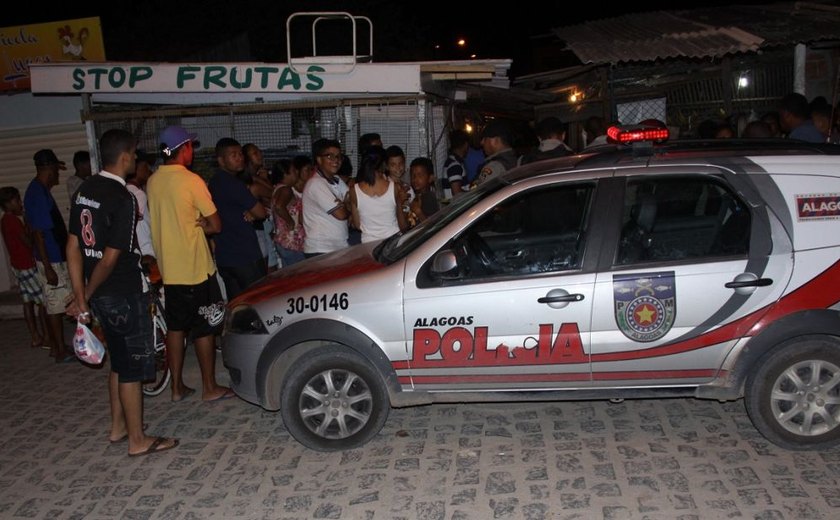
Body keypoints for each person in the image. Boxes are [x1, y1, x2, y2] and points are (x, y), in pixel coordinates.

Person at [66, 128, 179, 457]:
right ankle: (137, 440)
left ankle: (117, 428)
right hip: (122, 291)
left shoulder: (86, 189)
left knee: (118, 361)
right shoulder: (123, 196)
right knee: (132, 368)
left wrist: (82, 293)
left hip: (101, 293)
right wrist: (83, 296)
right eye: (135, 154)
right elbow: (110, 257)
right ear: (126, 157)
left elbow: (73, 245)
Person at [146, 125, 233, 403]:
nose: (192, 151)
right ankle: (210, 387)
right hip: (195, 268)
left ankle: (176, 388)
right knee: (205, 327)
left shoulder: (153, 180)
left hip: (170, 270)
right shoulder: (191, 181)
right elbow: (216, 225)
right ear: (183, 148)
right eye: (190, 146)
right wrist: (204, 225)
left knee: (176, 327)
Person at [24, 149, 73, 362]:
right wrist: (49, 266)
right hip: (50, 258)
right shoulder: (37, 193)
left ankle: (57, 346)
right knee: (55, 305)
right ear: (49, 168)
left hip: (53, 255)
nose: (57, 174)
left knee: (55, 303)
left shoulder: (40, 190)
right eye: (56, 169)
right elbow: (38, 233)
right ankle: (60, 350)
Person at [208, 138, 267, 299]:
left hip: (225, 256)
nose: (239, 158)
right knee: (257, 301)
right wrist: (252, 211)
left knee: (236, 304)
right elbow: (261, 212)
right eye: (233, 155)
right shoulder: (234, 184)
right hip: (244, 255)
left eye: (240, 154)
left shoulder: (214, 182)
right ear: (221, 160)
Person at [0, 186, 47, 350]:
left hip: (18, 265)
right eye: (17, 200)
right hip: (26, 265)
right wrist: (28, 223)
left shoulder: (5, 220)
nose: (20, 203)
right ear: (8, 203)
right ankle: (47, 335)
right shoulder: (12, 221)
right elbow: (28, 242)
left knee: (28, 301)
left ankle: (35, 336)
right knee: (43, 301)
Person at [349, 146, 409, 243]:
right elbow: (401, 221)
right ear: (384, 165)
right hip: (392, 243)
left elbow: (357, 224)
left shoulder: (354, 191)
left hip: (368, 244)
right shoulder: (394, 187)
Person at [302, 139, 350, 257]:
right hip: (321, 249)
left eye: (338, 156)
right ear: (319, 159)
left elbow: (356, 201)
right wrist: (347, 204)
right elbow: (341, 214)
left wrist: (346, 204)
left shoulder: (336, 180)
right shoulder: (316, 184)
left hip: (337, 247)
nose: (336, 160)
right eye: (330, 156)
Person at [270, 160, 305, 267]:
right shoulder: (286, 190)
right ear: (285, 174)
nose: (297, 173)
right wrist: (290, 222)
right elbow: (279, 206)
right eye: (293, 171)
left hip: (284, 241)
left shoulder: (278, 188)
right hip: (291, 241)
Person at [476, 120, 517, 185]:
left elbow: (484, 194)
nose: (482, 142)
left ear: (495, 140)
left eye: (485, 139)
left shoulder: (494, 167)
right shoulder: (516, 159)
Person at [408, 157, 439, 225]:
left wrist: (418, 212)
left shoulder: (429, 198)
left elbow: (432, 226)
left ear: (430, 178)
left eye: (420, 175)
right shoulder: (417, 196)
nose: (415, 179)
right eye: (413, 175)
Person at [442, 129, 469, 199]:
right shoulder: (454, 165)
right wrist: (472, 194)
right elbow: (457, 193)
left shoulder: (453, 162)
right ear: (465, 145)